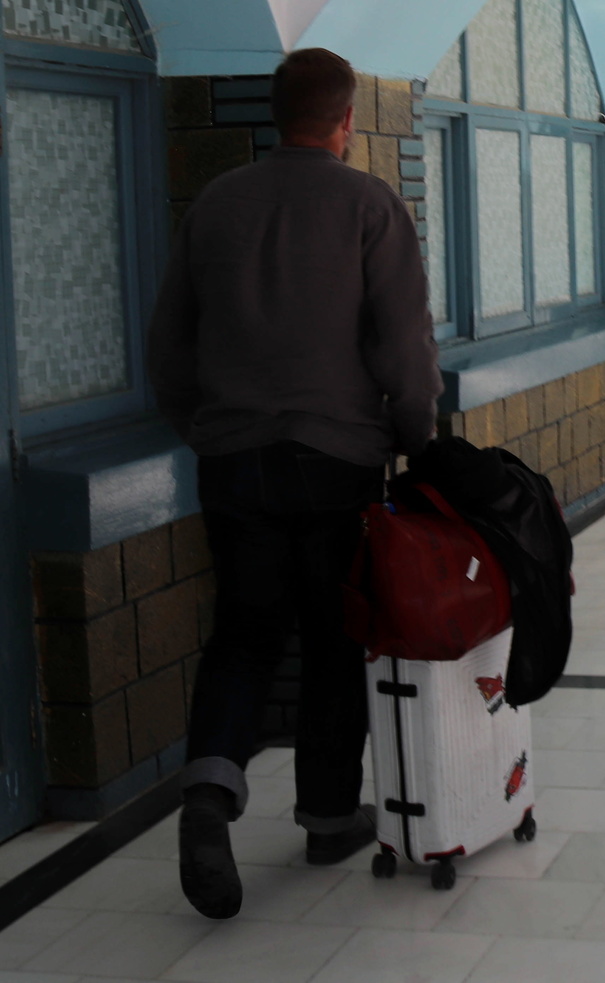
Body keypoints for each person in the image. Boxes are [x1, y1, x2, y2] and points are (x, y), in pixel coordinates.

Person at [148, 47, 442, 919]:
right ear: (346, 120)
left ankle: (210, 796)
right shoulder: (370, 205)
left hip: (232, 460)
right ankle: (327, 815)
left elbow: (169, 345)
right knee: (331, 636)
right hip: (336, 461)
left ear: (276, 114)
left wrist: (202, 428)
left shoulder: (216, 203)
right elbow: (404, 345)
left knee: (242, 634)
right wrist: (417, 437)